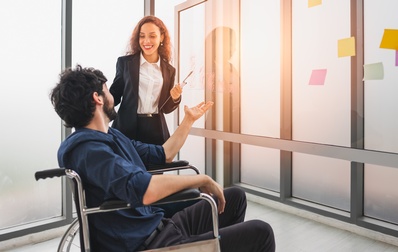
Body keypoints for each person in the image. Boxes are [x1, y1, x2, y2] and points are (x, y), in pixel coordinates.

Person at [50, 65, 275, 252]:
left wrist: (188, 120)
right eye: (107, 91)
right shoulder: (88, 151)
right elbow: (143, 189)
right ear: (97, 98)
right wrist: (201, 179)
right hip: (149, 243)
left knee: (234, 198)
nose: (112, 97)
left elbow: (164, 153)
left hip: (159, 224)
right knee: (261, 233)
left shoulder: (111, 136)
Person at [110, 15, 182, 146]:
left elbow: (166, 108)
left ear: (162, 37)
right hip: (127, 128)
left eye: (152, 36)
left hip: (156, 130)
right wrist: (97, 99)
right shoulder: (125, 63)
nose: (146, 41)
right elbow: (114, 95)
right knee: (126, 166)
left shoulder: (169, 70)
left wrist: (175, 97)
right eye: (142, 36)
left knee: (155, 166)